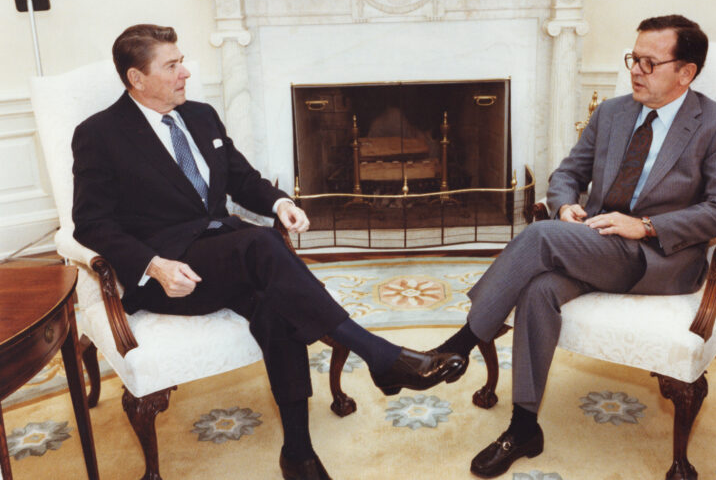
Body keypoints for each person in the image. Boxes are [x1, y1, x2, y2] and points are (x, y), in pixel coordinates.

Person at [71, 24, 467, 480]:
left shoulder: (200, 116)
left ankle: (298, 453)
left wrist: (281, 203)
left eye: (183, 61)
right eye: (172, 65)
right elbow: (91, 222)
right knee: (262, 244)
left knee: (276, 306)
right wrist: (153, 265)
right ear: (137, 78)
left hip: (228, 251)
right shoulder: (100, 134)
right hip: (172, 273)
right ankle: (380, 355)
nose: (186, 72)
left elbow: (241, 179)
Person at [428, 15, 716, 478]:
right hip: (592, 242)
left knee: (538, 238)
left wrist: (645, 225)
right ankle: (523, 427)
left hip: (657, 258)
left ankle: (460, 344)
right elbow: (568, 174)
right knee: (539, 289)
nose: (636, 70)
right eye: (632, 59)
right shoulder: (613, 113)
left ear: (686, 72)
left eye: (649, 62)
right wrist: (563, 207)